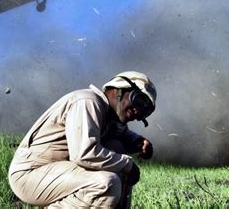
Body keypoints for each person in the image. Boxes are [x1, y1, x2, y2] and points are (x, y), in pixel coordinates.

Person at [8, 71, 157, 208]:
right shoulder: (88, 102)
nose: (138, 111)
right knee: (107, 184)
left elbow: (121, 133)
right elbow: (84, 153)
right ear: (118, 90)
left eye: (145, 110)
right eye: (138, 101)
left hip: (56, 174)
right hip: (30, 175)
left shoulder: (108, 115)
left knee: (117, 148)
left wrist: (139, 141)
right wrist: (127, 164)